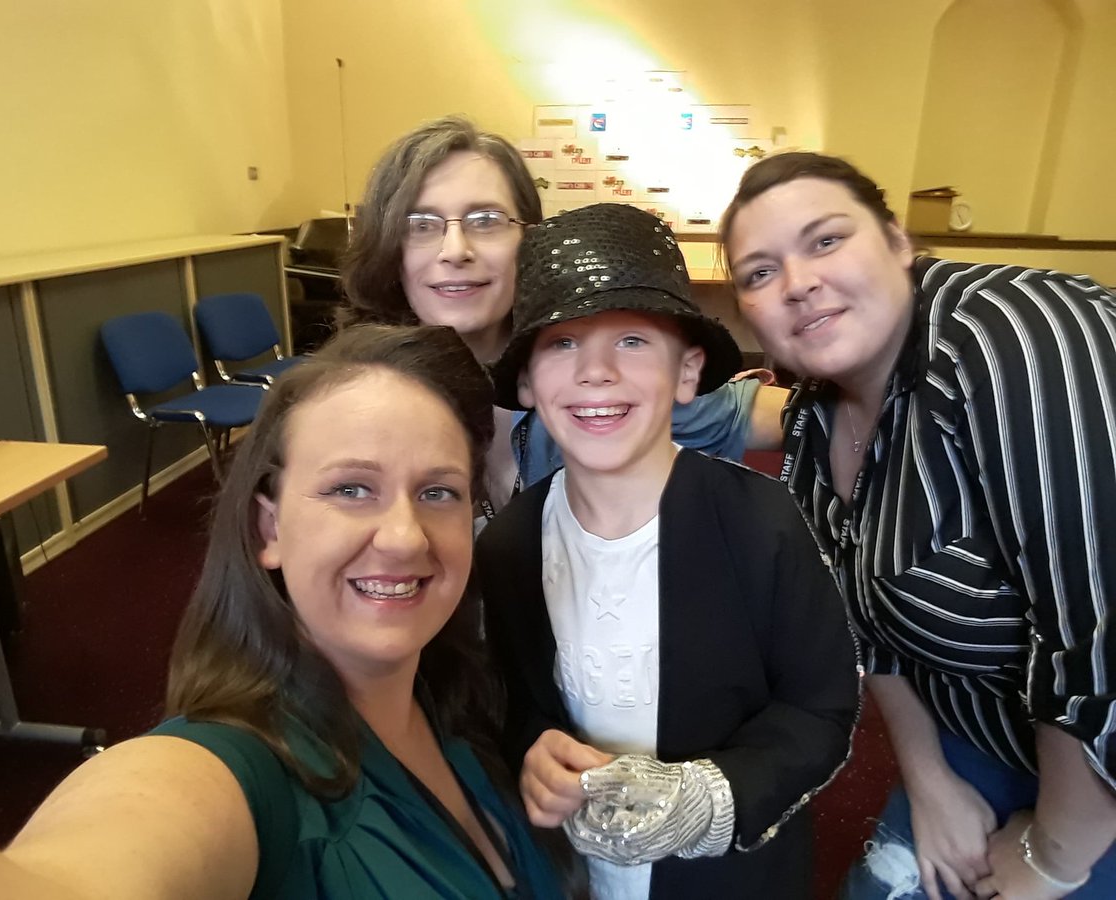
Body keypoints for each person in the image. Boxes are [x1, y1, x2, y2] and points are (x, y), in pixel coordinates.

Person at [0, 325, 567, 900]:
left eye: (437, 491)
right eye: (351, 488)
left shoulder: (458, 696)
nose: (404, 536)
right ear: (269, 528)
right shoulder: (228, 774)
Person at [720, 150, 1116, 900]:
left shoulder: (1014, 340)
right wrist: (928, 779)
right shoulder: (812, 421)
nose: (799, 282)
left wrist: (1052, 859)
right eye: (760, 273)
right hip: (988, 738)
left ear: (900, 243)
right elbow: (861, 626)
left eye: (826, 240)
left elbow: (1100, 636)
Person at [475, 203, 861, 899]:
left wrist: (719, 795)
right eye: (562, 343)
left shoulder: (760, 524)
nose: (596, 372)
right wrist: (532, 750)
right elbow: (518, 701)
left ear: (687, 374)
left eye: (631, 341)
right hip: (577, 873)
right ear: (529, 384)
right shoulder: (510, 545)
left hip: (726, 880)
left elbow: (819, 707)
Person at [340, 116, 788, 513]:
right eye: (421, 226)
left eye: (485, 221)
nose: (455, 250)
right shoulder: (361, 398)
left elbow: (799, 419)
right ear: (390, 249)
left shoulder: (599, 375)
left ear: (531, 239)